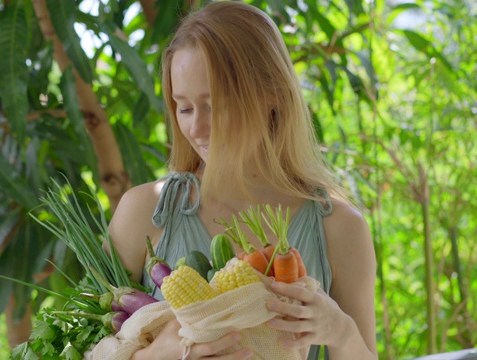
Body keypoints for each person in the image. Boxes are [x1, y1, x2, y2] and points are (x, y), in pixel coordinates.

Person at [108, 1, 377, 359]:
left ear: (273, 96)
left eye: (215, 105)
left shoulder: (339, 229)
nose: (196, 128)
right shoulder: (144, 213)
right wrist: (155, 355)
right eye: (184, 108)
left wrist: (342, 333)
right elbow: (80, 345)